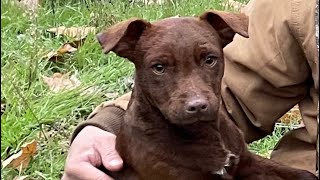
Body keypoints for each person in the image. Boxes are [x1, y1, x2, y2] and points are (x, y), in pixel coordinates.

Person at [62, 0, 319, 179]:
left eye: (208, 61)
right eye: (161, 67)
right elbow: (238, 90)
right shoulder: (297, 6)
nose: (195, 97)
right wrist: (107, 123)